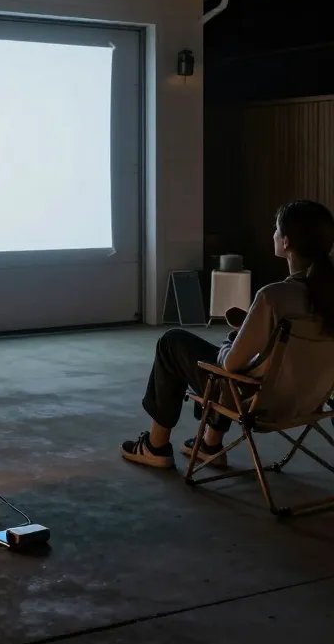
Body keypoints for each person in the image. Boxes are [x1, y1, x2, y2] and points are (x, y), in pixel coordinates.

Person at [121, 200, 334, 470]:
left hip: (259, 402)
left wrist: (230, 342)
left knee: (172, 342)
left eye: (276, 229)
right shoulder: (325, 298)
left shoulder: (274, 297)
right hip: (309, 401)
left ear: (286, 241)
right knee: (240, 362)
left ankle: (155, 447)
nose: (273, 234)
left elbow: (231, 364)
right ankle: (209, 445)